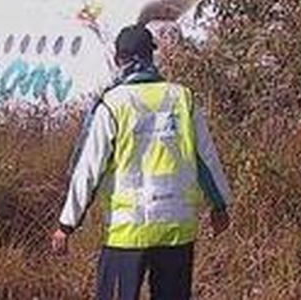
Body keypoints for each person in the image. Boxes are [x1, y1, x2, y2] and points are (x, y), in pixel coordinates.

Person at [51, 24, 232, 300]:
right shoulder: (183, 98)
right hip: (175, 230)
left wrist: (67, 225)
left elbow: (88, 171)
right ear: (151, 56)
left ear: (118, 59)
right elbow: (206, 159)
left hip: (127, 233)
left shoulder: (113, 105)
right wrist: (219, 206)